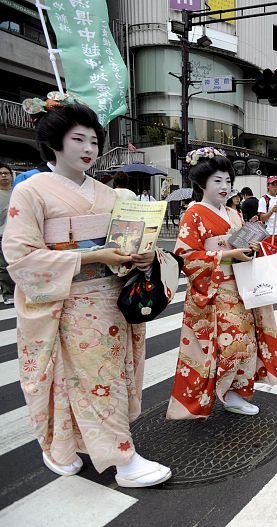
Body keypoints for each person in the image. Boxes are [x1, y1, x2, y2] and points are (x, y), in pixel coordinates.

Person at [5, 93, 171, 486]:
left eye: (94, 141)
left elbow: (125, 243)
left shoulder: (107, 193)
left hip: (113, 297)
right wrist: (92, 257)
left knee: (102, 378)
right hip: (68, 302)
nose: (89, 149)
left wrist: (144, 257)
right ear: (54, 142)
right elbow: (20, 255)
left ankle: (62, 447)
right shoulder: (31, 190)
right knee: (96, 379)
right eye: (78, 139)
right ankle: (123, 461)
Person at [167, 147, 277, 419]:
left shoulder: (233, 214)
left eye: (228, 181)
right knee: (227, 344)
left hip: (241, 287)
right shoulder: (194, 214)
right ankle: (224, 393)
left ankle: (234, 392)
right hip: (214, 290)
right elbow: (185, 256)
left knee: (246, 342)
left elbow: (243, 245)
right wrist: (226, 255)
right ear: (201, 183)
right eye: (217, 181)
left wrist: (251, 248)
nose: (224, 187)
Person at [0, 163, 16, 304]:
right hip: (2, 234)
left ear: (11, 176)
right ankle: (9, 293)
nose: (4, 176)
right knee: (4, 266)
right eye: (0, 174)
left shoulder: (19, 192)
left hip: (19, 234)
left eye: (6, 173)